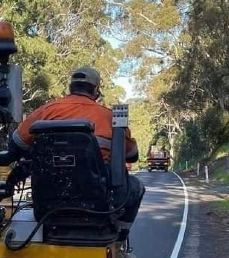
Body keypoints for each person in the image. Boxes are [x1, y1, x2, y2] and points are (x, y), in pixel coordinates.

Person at [10, 67, 145, 239]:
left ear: (70, 88)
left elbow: (17, 143)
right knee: (136, 187)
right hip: (96, 200)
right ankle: (119, 237)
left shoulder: (46, 111)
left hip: (49, 200)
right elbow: (132, 154)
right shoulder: (109, 117)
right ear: (96, 91)